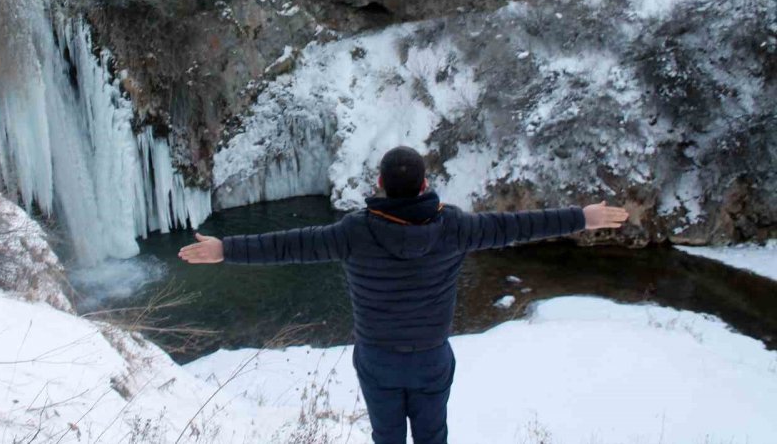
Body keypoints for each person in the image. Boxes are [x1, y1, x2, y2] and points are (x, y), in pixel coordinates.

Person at [178, 146, 628, 444]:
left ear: (379, 185)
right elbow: (518, 227)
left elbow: (290, 245)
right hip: (432, 357)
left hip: (377, 358)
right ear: (424, 184)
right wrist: (580, 218)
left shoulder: (354, 232)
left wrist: (225, 249)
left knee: (386, 438)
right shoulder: (454, 227)